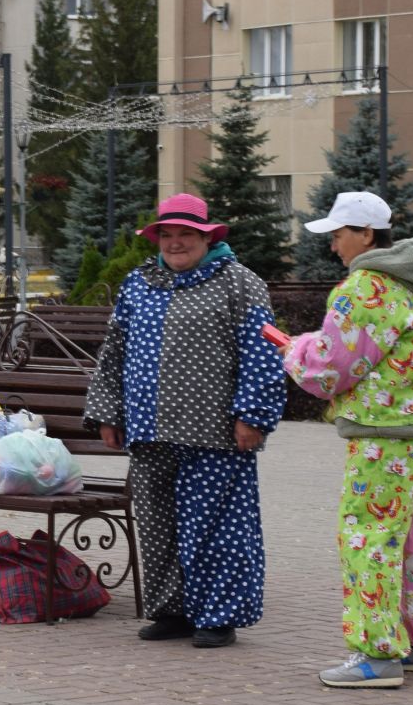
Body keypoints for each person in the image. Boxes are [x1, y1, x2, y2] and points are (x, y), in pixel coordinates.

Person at [83, 193, 286, 648]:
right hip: (149, 430)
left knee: (216, 527)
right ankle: (171, 611)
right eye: (166, 235)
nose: (175, 243)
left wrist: (252, 416)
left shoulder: (240, 282)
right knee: (158, 525)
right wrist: (108, 413)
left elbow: (262, 354)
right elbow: (114, 353)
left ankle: (217, 617)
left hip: (215, 432)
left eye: (185, 235)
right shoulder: (140, 283)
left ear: (206, 237)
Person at [282, 191, 413, 689]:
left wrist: (295, 352)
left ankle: (377, 654)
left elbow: (336, 366)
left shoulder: (363, 288)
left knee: (368, 536)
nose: (333, 245)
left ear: (366, 235)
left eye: (338, 234)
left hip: (383, 434)